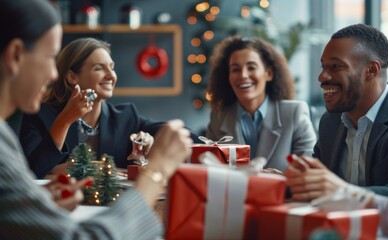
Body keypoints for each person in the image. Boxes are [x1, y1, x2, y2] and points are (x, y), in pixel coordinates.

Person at [0, 0, 192, 238]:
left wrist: (40, 203)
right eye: (50, 57)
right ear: (16, 55)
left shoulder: (125, 116)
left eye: (111, 67)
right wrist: (156, 173)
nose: (52, 73)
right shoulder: (22, 128)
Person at [285, 23, 388, 204]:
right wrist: (285, 183)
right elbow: (317, 186)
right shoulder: (331, 121)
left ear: (371, 70)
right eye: (323, 67)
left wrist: (340, 190)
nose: (322, 77)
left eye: (336, 66)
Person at [19, 37, 193, 179]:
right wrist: (64, 121)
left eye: (112, 68)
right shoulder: (40, 114)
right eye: (99, 68)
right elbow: (31, 171)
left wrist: (149, 143)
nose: (111, 76)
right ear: (72, 76)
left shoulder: (125, 117)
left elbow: (178, 133)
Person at [205, 35, 316, 172]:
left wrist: (279, 179)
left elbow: (309, 170)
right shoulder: (218, 117)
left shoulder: (294, 112)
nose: (243, 75)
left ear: (268, 73)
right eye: (235, 69)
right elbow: (210, 170)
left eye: (251, 67)